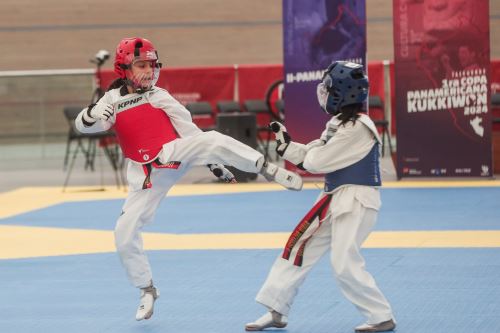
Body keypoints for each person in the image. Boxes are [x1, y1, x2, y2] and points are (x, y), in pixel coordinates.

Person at [75, 37, 303, 321]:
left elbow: (191, 132)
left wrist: (213, 163)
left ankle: (265, 167)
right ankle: (146, 289)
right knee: (123, 233)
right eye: (141, 65)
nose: (148, 71)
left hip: (175, 153)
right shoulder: (110, 101)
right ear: (124, 68)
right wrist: (93, 113)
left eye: (152, 65)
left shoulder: (159, 95)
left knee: (212, 138)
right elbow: (84, 126)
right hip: (146, 176)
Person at [245, 61, 396, 333]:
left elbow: (318, 160)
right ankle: (276, 308)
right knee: (299, 246)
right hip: (335, 197)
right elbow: (313, 152)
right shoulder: (339, 123)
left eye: (328, 88)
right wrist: (287, 147)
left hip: (356, 201)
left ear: (341, 92)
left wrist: (299, 154)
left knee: (343, 262)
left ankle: (380, 315)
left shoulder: (358, 128)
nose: (323, 93)